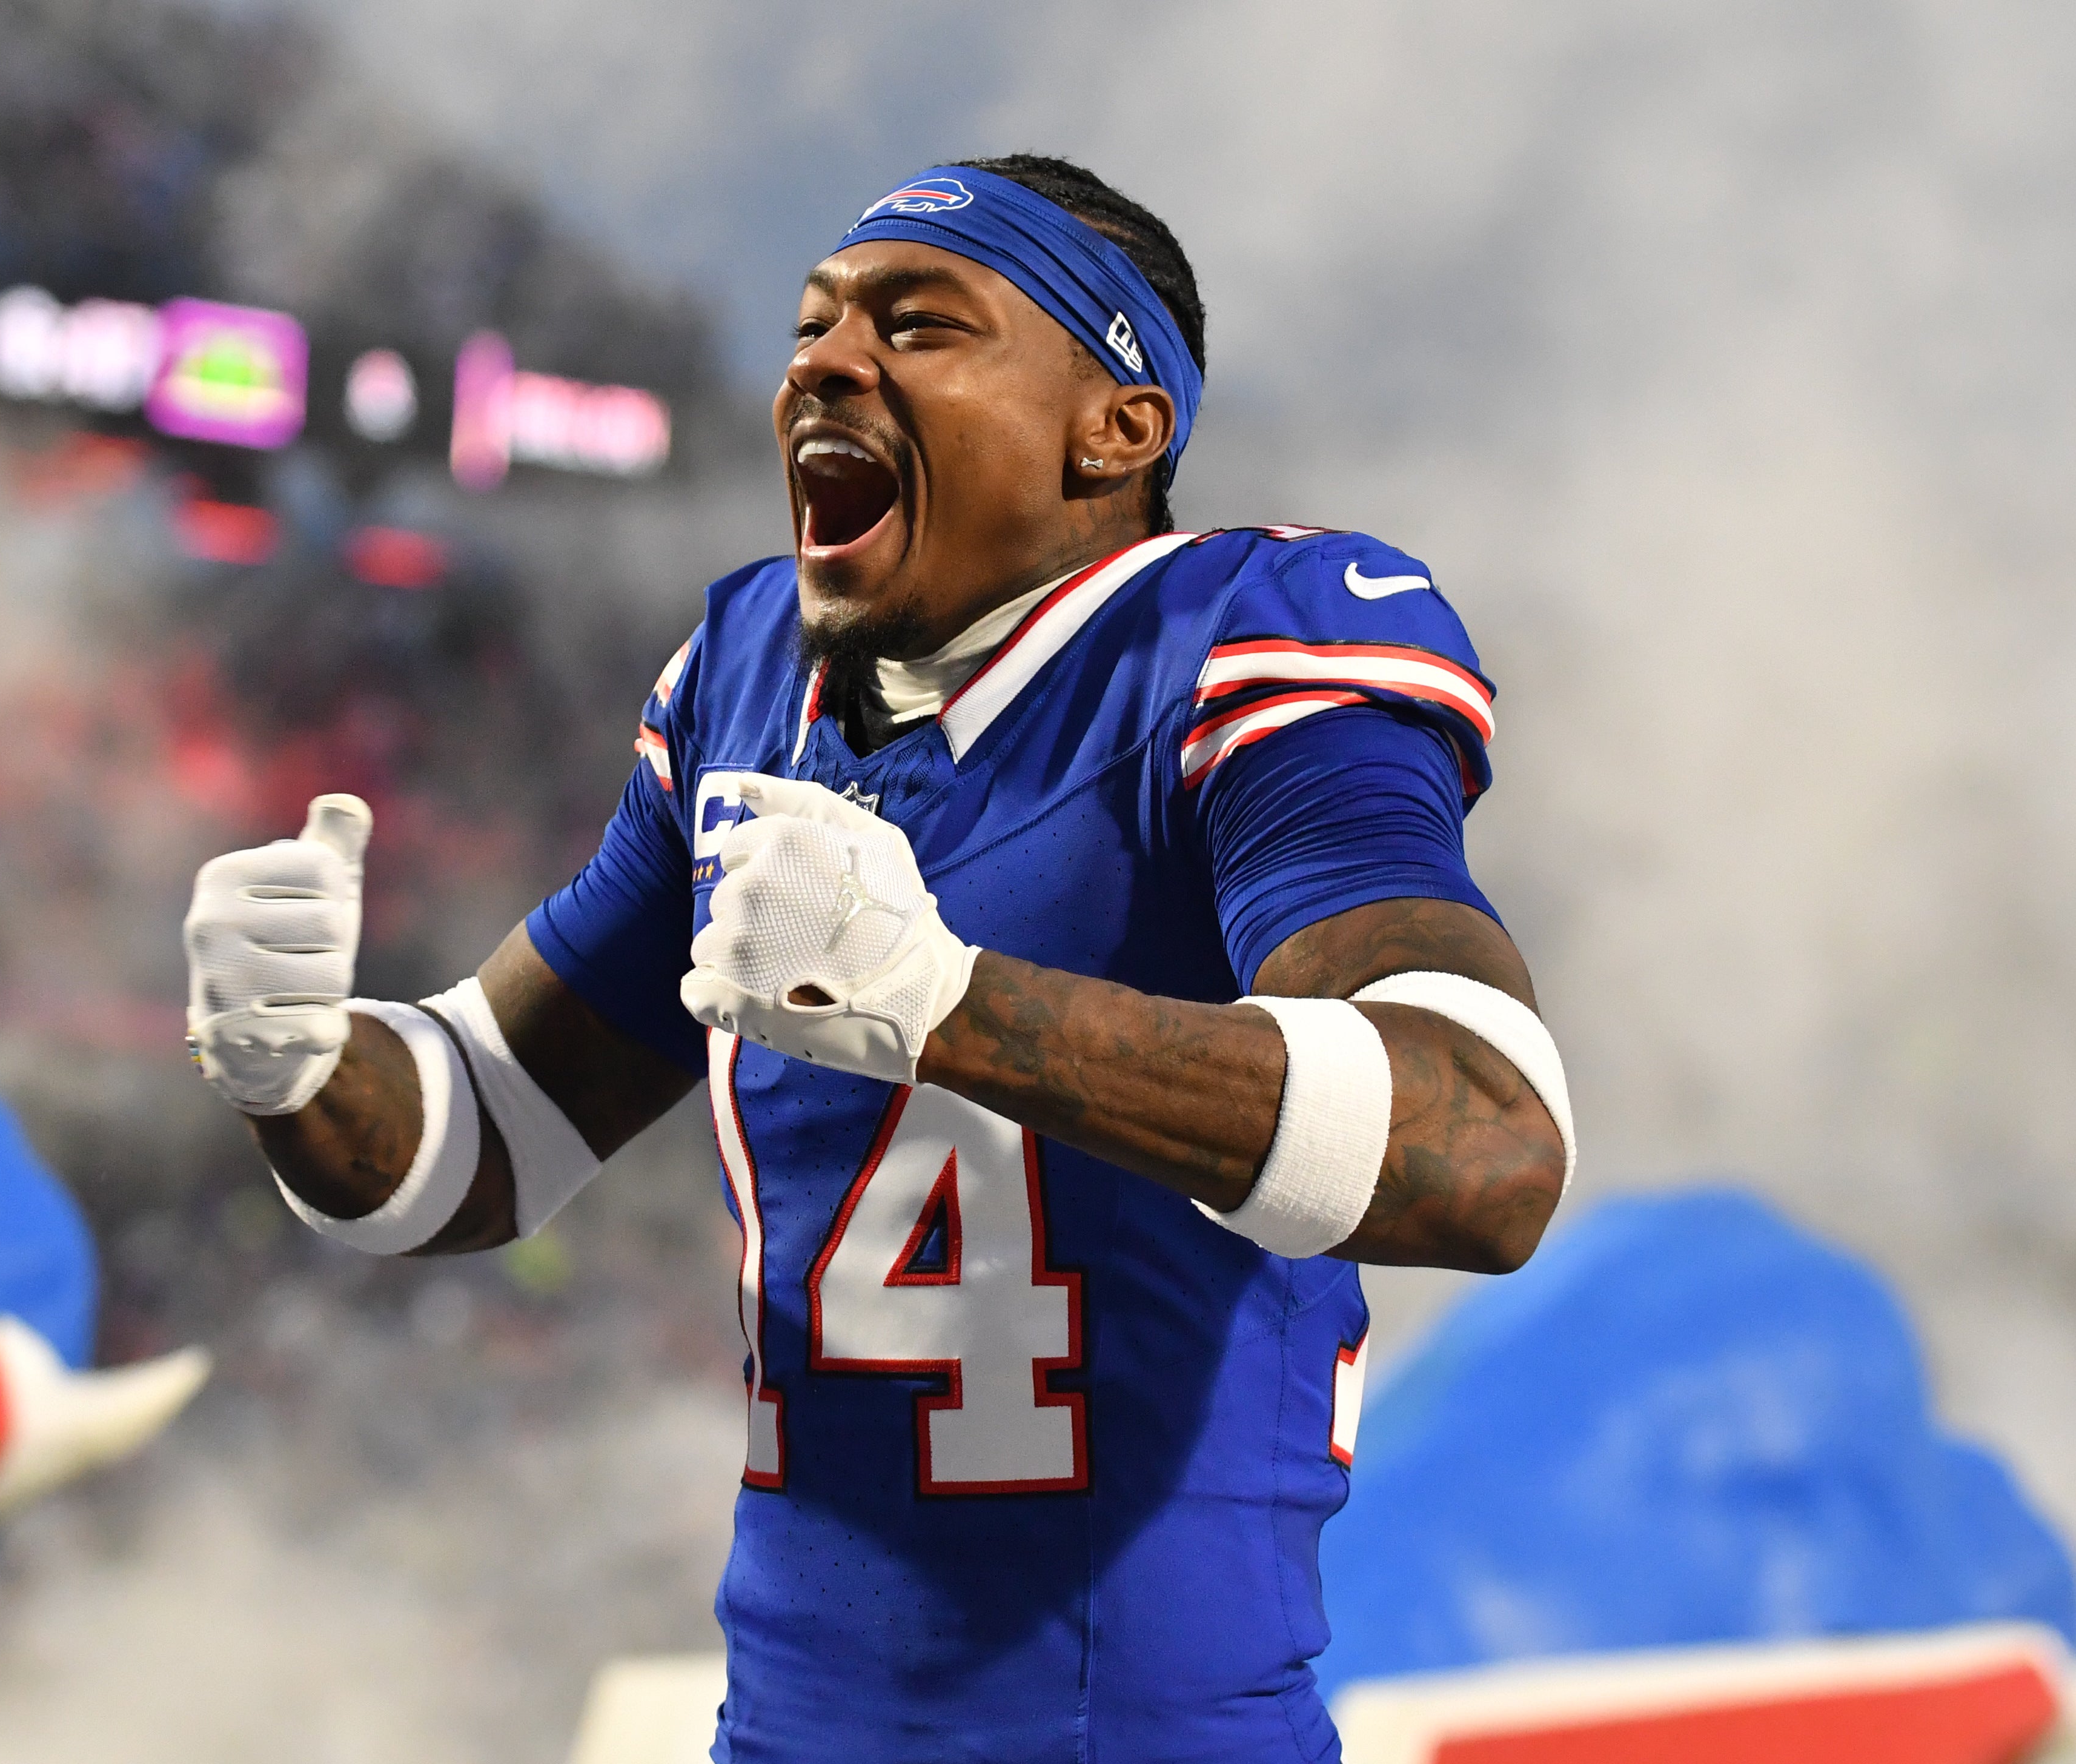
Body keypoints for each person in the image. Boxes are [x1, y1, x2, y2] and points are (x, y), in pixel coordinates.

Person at [182, 154, 1573, 1762]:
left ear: (1113, 425)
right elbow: (477, 1140)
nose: (826, 364)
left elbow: (1484, 1151)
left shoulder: (1248, 643)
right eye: (813, 325)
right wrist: (294, 1060)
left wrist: (942, 1004)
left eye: (920, 326)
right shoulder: (744, 679)